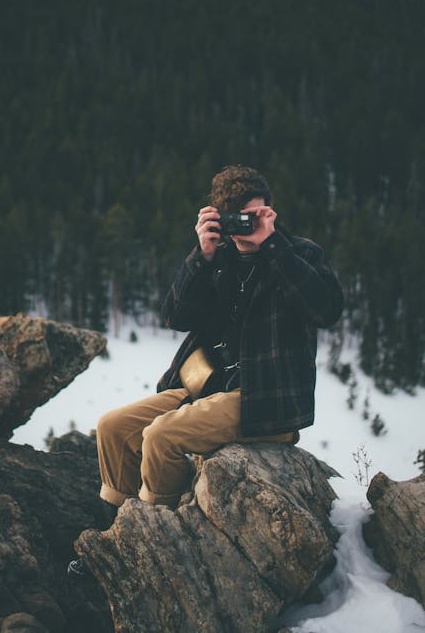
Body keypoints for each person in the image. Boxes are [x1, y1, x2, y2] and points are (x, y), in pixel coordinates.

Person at [68, 164, 343, 576]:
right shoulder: (220, 259)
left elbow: (327, 309)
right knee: (113, 426)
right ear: (220, 218)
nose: (247, 225)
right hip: (210, 385)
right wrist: (202, 254)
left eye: (257, 214)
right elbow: (174, 315)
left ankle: (148, 540)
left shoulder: (299, 254)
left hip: (267, 401)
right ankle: (114, 529)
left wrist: (274, 248)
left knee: (161, 436)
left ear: (270, 211)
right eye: (237, 218)